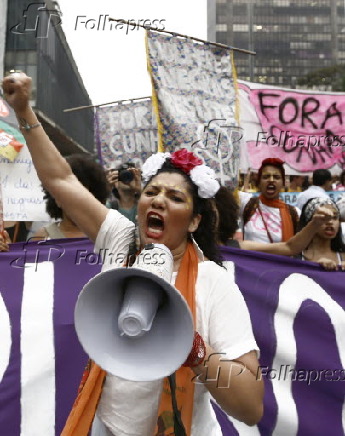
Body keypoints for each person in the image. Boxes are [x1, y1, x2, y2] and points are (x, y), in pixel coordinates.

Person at [2, 72, 263, 435]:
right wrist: (23, 109)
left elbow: (251, 406)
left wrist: (198, 353)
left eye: (175, 198)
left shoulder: (213, 281)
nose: (158, 200)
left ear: (193, 221)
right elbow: (61, 180)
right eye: (152, 192)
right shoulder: (120, 240)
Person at [215, 186, 333, 256]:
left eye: (214, 212)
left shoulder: (237, 248)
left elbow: (290, 248)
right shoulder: (197, 252)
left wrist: (315, 223)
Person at [33, 154, 109, 239]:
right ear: (56, 199)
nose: (76, 202)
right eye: (69, 196)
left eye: (83, 195)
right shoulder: (43, 236)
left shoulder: (108, 236)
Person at [240, 158, 299, 243]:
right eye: (266, 177)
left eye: (276, 177)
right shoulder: (247, 203)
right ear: (259, 182)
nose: (271, 180)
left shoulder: (294, 213)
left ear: (283, 183)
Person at [297, 197, 345, 271]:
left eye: (335, 217)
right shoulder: (295, 258)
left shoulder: (343, 256)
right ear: (310, 222)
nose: (330, 222)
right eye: (324, 217)